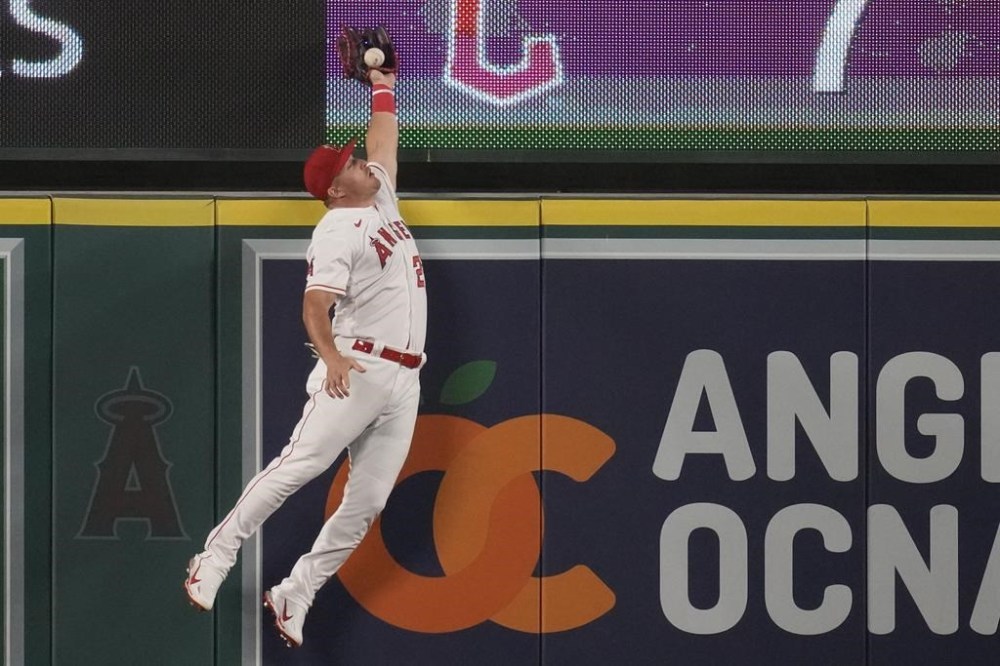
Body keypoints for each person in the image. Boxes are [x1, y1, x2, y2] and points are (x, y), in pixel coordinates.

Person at [184, 68, 427, 649]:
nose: (359, 161)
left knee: (367, 501)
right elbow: (315, 305)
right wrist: (333, 356)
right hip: (358, 369)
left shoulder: (379, 195)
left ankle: (298, 589)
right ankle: (214, 554)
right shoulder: (337, 228)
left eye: (354, 157)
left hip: (405, 378)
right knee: (298, 468)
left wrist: (382, 86)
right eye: (348, 163)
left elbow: (383, 143)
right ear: (335, 190)